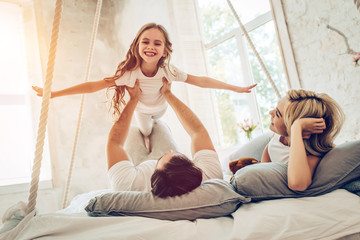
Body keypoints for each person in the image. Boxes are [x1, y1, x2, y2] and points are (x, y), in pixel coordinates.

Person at [32, 22, 257, 151]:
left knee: (156, 122)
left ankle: (153, 132)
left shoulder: (169, 71)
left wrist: (234, 88)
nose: (151, 47)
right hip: (141, 110)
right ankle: (148, 136)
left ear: (165, 50)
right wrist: (53, 94)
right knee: (146, 130)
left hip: (160, 109)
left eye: (157, 43)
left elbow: (200, 80)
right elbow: (94, 86)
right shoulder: (129, 74)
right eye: (145, 42)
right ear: (137, 45)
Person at [106, 78, 223, 198]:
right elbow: (198, 132)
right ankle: (149, 124)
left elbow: (114, 143)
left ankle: (144, 128)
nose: (169, 151)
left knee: (133, 130)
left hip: (136, 167)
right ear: (194, 168)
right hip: (165, 169)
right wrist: (167, 94)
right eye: (178, 155)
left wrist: (134, 99)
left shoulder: (127, 185)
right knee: (158, 125)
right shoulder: (210, 174)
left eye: (162, 157)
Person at [229, 89, 345, 191]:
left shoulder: (311, 157)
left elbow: (297, 184)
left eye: (278, 114)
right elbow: (268, 154)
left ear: (291, 125)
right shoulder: (277, 137)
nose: (270, 112)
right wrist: (262, 168)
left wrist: (296, 127)